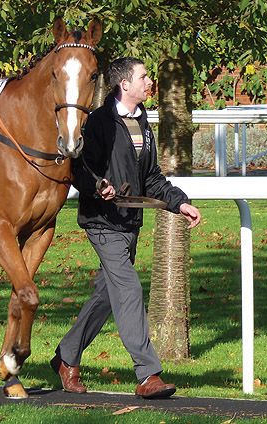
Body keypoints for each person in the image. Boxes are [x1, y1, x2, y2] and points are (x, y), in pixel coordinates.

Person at [50, 57, 201, 399]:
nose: (150, 82)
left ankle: (67, 356)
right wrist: (98, 185)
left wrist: (180, 203)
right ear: (125, 84)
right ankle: (148, 374)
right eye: (144, 77)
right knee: (129, 289)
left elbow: (151, 178)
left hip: (130, 223)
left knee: (107, 295)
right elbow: (80, 168)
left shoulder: (142, 125)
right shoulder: (99, 122)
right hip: (102, 222)